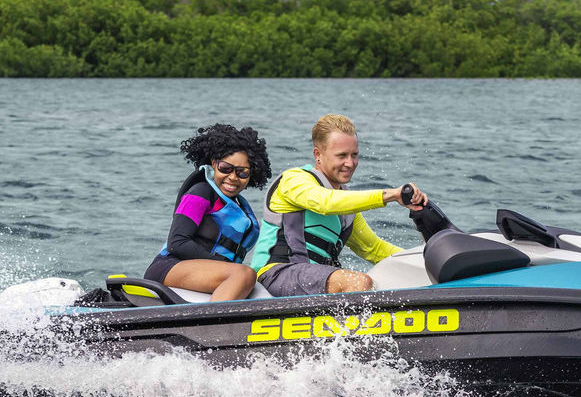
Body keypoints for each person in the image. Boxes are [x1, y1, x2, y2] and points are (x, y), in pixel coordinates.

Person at [251, 114, 427, 296]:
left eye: (354, 155)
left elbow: (374, 249)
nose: (350, 163)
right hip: (275, 276)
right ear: (318, 154)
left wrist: (426, 261)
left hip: (314, 281)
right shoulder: (294, 180)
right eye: (341, 155)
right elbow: (325, 203)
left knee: (386, 283)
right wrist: (390, 195)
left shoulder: (346, 209)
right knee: (358, 282)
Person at [145, 124, 272, 301]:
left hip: (209, 272)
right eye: (226, 168)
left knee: (258, 288)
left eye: (242, 172)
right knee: (244, 275)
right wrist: (223, 264)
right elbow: (177, 243)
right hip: (170, 267)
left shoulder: (240, 206)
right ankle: (211, 326)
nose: (233, 177)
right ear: (213, 163)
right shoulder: (200, 192)